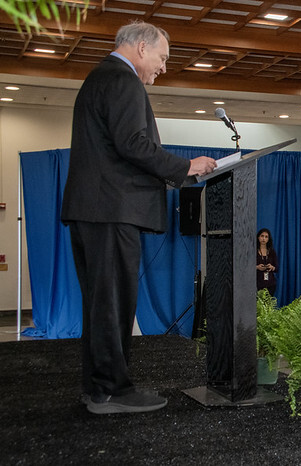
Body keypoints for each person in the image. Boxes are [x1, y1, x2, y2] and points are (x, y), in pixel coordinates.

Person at [60, 22, 218, 414]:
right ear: (142, 47)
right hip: (111, 211)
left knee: (101, 304)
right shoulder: (123, 79)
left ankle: (99, 387)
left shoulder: (100, 77)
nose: (163, 67)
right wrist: (185, 166)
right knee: (113, 303)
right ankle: (112, 389)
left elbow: (117, 149)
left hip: (95, 210)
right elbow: (132, 143)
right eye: (162, 58)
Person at [256, 228, 278, 295]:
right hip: (257, 283)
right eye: (262, 236)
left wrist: (272, 267)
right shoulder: (253, 251)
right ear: (258, 237)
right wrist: (257, 267)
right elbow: (248, 267)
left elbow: (277, 268)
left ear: (268, 239)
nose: (264, 239)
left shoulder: (272, 252)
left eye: (266, 237)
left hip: (270, 284)